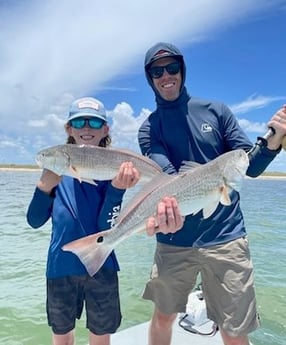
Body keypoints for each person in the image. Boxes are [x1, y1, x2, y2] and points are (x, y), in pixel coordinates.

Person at [138, 42, 286, 345]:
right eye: (157, 70)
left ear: (182, 69)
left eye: (172, 67)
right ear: (150, 77)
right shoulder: (149, 128)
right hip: (173, 241)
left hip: (226, 239)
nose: (166, 75)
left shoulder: (217, 111)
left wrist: (275, 139)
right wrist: (159, 217)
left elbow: (250, 166)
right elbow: (169, 180)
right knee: (163, 317)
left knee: (234, 329)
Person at [26, 96, 184, 345]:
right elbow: (34, 221)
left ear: (106, 130)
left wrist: (116, 190)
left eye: (94, 123)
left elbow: (106, 229)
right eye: (78, 123)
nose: (86, 128)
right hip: (60, 266)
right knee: (62, 338)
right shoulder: (56, 173)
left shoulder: (113, 169)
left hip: (103, 266)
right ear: (68, 129)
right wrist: (44, 187)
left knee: (101, 338)